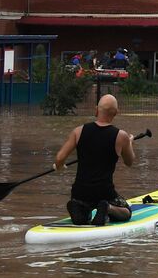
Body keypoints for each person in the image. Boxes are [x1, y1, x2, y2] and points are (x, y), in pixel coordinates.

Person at [54, 94, 137, 226]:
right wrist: (129, 143)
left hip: (80, 192)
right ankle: (108, 208)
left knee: (82, 210)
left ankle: (78, 208)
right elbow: (129, 161)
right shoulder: (121, 136)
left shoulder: (78, 131)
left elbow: (59, 158)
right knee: (127, 212)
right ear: (116, 113)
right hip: (104, 192)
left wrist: (59, 165)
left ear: (96, 110)